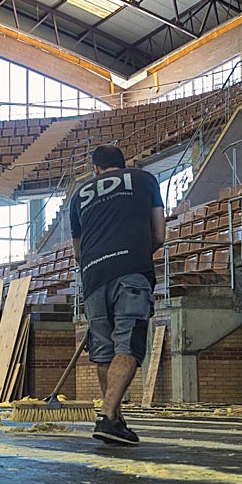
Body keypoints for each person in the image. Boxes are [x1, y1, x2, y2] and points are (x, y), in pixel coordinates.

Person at [68, 145, 165, 445]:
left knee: (104, 352)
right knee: (129, 345)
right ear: (122, 165)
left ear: (95, 168)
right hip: (131, 271)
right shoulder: (145, 180)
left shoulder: (78, 195)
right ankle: (108, 415)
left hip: (93, 278)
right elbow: (159, 234)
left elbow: (77, 253)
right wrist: (132, 257)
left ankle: (115, 419)